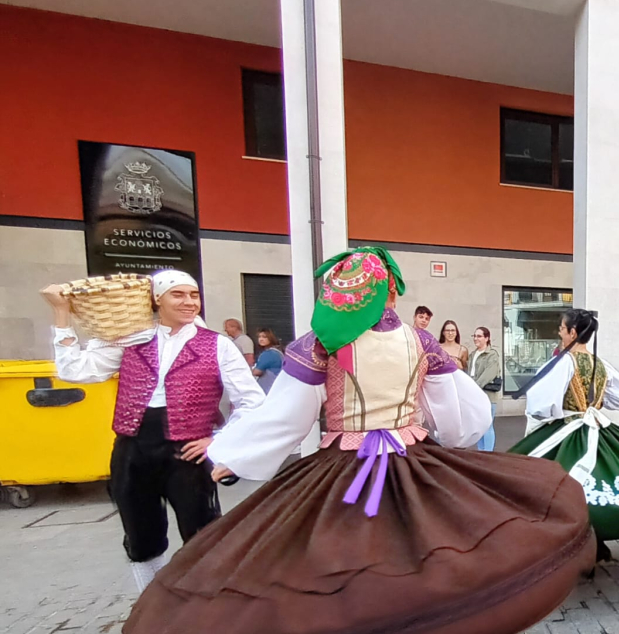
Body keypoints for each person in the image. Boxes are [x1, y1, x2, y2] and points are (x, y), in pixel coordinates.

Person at [124, 248, 595, 634]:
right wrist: (450, 442)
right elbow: (463, 417)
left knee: (339, 565)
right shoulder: (421, 341)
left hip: (341, 467)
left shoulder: (318, 343)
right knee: (421, 556)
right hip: (417, 460)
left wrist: (232, 454)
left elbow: (287, 417)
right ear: (391, 291)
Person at [41, 270, 265, 594]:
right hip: (133, 448)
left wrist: (218, 440)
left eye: (194, 295)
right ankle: (151, 604)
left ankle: (208, 607)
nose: (189, 302)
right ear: (157, 299)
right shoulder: (130, 338)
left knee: (202, 532)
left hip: (186, 452)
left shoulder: (217, 344)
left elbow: (251, 401)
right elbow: (74, 370)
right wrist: (61, 314)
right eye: (178, 294)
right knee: (140, 534)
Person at [509, 309, 619, 558]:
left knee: (549, 479)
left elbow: (541, 404)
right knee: (606, 478)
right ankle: (597, 541)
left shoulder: (563, 363)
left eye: (561, 328)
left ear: (572, 332)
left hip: (568, 428)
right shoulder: (600, 364)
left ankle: (574, 540)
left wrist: (556, 414)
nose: (559, 332)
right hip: (598, 427)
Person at [468, 326, 502, 451]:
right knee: (479, 426)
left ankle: (488, 453)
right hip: (475, 396)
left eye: (479, 336)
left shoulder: (492, 355)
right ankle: (481, 452)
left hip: (487, 396)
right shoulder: (473, 355)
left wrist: (472, 388)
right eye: (475, 336)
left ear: (487, 338)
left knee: (487, 426)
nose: (476, 339)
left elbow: (487, 375)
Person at [252, 328, 284, 393]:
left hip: (268, 388)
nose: (261, 339)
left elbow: (256, 372)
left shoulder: (268, 354)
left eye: (264, 337)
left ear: (271, 338)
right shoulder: (278, 351)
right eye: (259, 337)